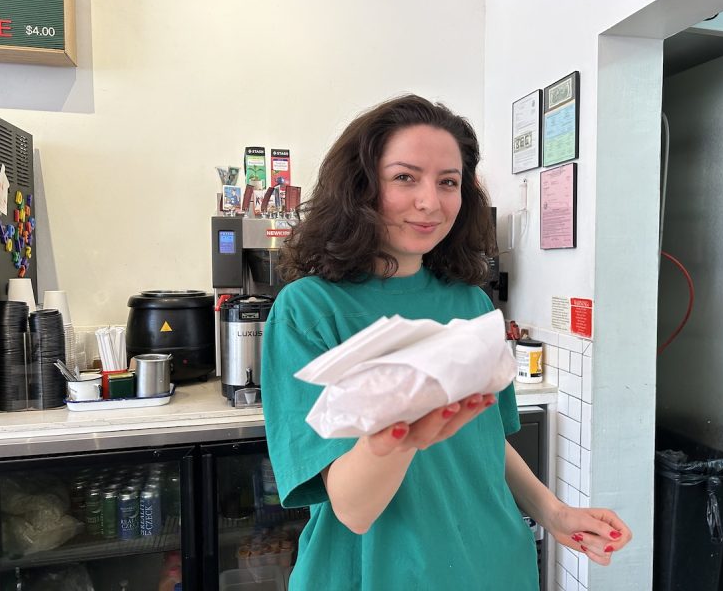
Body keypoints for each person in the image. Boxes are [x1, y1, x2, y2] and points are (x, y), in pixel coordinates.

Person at [261, 94, 631, 590]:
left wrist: (554, 512)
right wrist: (403, 432)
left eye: (448, 182)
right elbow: (352, 509)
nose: (430, 202)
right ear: (361, 186)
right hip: (378, 571)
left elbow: (485, 440)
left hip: (493, 562)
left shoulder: (473, 306)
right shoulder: (309, 311)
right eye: (404, 177)